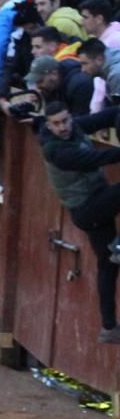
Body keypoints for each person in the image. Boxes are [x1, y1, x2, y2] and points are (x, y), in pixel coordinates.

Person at [34, 101, 120, 344]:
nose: (63, 127)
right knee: (109, 261)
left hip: (95, 205)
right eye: (57, 124)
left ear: (71, 117)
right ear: (48, 126)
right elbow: (93, 158)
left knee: (108, 265)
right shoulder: (55, 150)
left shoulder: (76, 127)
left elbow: (112, 113)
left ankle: (109, 327)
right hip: (88, 209)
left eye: (65, 120)